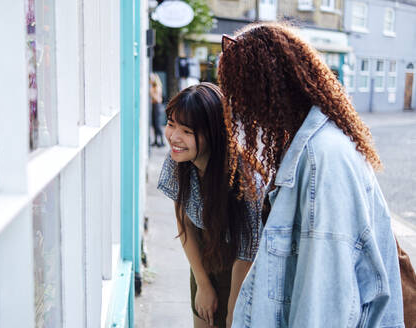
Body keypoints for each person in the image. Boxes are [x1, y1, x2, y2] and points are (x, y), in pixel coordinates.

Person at [218, 23, 404, 327]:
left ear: (270, 89)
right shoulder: (309, 147)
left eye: (241, 92)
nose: (238, 107)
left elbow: (324, 307)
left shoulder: (323, 160)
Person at [157, 82, 263, 328]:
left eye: (186, 130)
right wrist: (203, 284)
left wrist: (232, 310)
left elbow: (247, 254)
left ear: (213, 132)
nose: (174, 137)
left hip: (243, 270)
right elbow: (184, 222)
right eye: (171, 124)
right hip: (204, 259)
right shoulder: (179, 159)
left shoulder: (245, 181)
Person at [150, 73, 164, 147]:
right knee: (154, 124)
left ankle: (162, 141)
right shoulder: (154, 87)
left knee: (157, 124)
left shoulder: (157, 87)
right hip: (154, 106)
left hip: (157, 106)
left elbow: (157, 98)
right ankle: (156, 140)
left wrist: (151, 93)